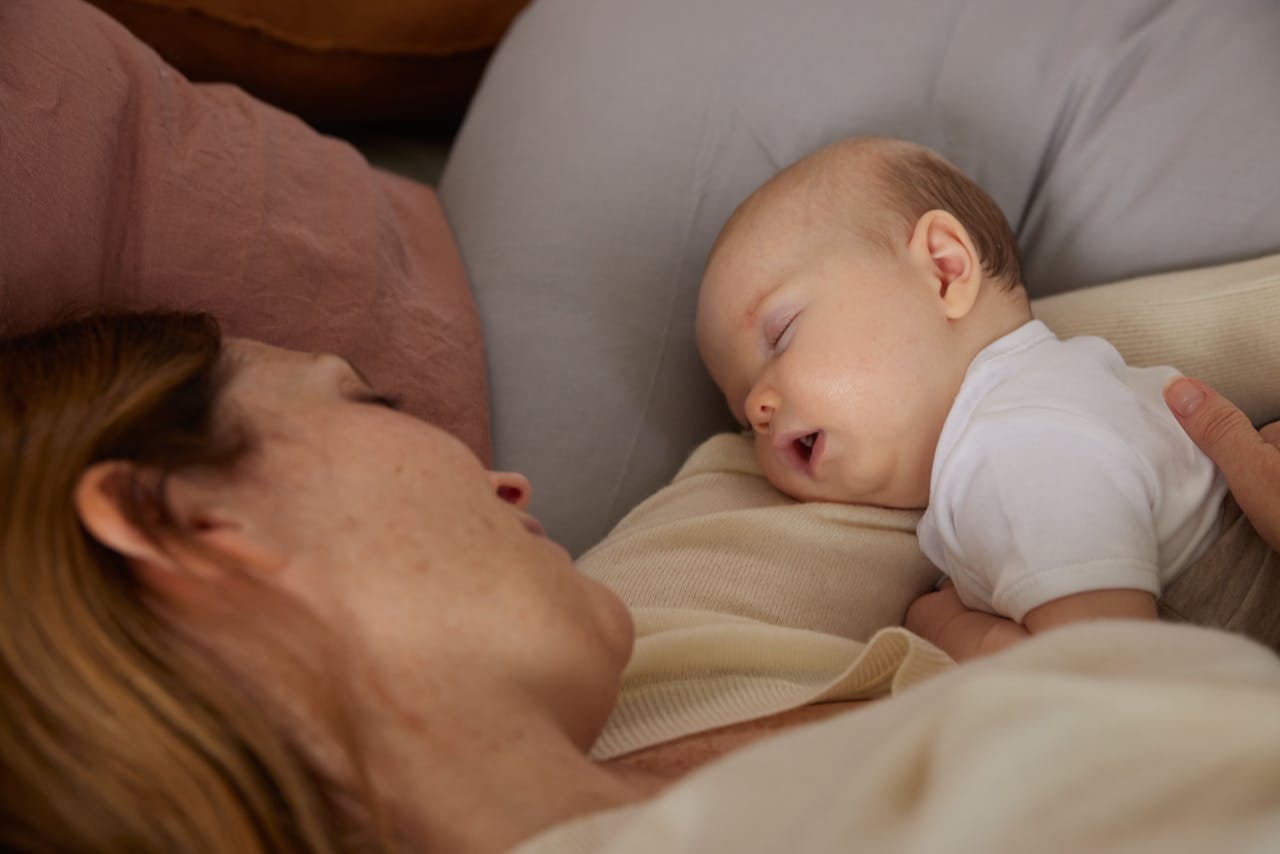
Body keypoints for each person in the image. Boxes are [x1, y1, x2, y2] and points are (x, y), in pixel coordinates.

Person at [3, 311, 1279, 852]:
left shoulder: (660, 619)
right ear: (185, 519)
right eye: (369, 403)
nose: (502, 474)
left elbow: (989, 350)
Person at [695, 136, 1274, 661]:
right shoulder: (1052, 395)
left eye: (781, 333)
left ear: (944, 271)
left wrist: (944, 627)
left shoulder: (1016, 438)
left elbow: (1104, 679)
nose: (758, 410)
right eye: (741, 410)